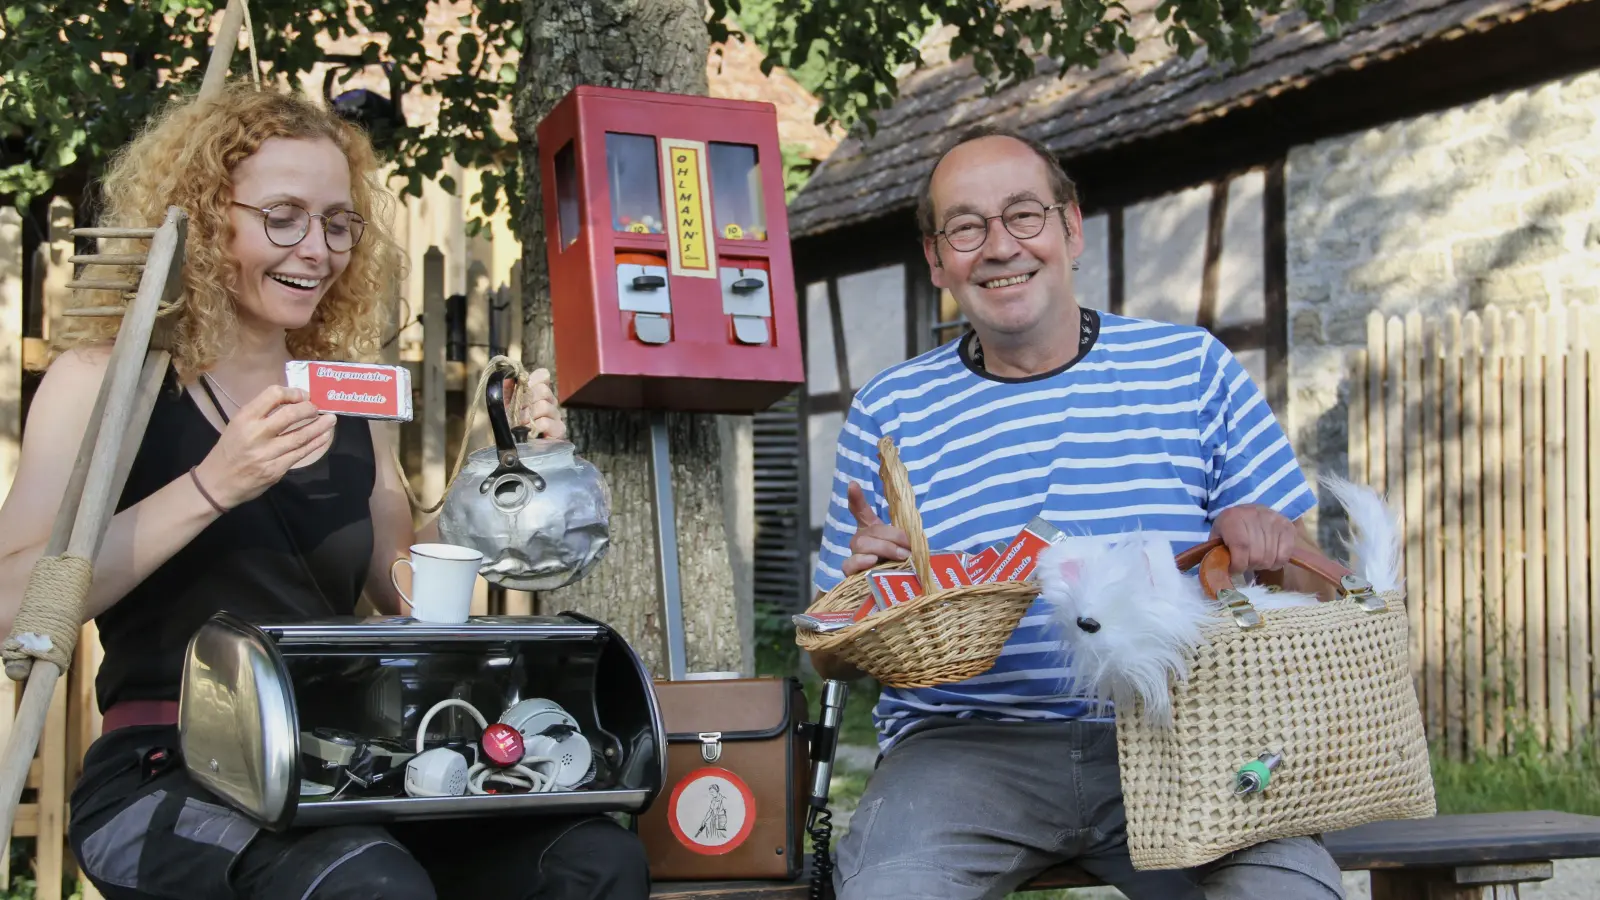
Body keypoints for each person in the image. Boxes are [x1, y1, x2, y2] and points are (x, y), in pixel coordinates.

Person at [0, 83, 649, 900]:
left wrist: (503, 475)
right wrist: (211, 485)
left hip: (346, 762)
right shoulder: (107, 380)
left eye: (338, 223)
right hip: (167, 770)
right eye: (282, 216)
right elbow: (12, 601)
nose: (316, 248)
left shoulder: (345, 392)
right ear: (204, 219)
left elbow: (405, 594)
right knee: (364, 882)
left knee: (593, 860)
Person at [807, 125, 1346, 900]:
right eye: (966, 226)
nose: (999, 246)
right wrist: (862, 602)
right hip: (964, 754)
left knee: (1288, 894)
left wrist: (1274, 546)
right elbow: (825, 655)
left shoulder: (1189, 368)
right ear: (937, 259)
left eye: (1024, 214)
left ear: (1070, 228)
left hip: (1185, 731)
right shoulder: (889, 409)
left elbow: (1326, 591)